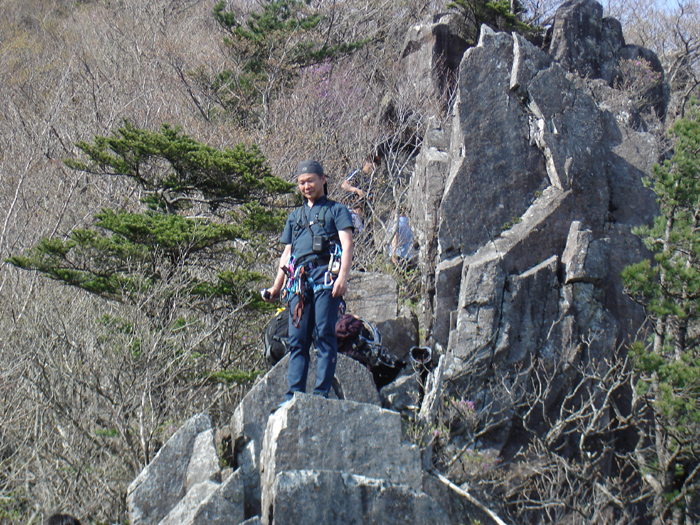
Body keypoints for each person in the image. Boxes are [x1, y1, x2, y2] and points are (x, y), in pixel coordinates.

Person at [264, 160, 354, 401]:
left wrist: (343, 277)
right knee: (297, 338)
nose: (306, 186)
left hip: (326, 276)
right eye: (302, 183)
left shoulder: (337, 210)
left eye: (310, 181)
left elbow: (347, 245)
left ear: (323, 179)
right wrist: (276, 286)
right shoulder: (294, 216)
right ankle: (293, 394)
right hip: (299, 281)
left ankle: (321, 392)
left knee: (324, 332)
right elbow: (287, 254)